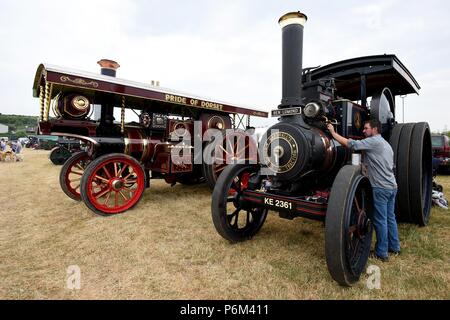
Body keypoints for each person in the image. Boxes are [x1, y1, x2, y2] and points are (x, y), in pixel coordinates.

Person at [327, 119, 400, 262]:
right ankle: (395, 247)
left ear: (374, 129)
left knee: (380, 220)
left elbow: (351, 144)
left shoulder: (373, 142)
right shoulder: (386, 145)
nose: (363, 131)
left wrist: (333, 133)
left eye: (366, 128)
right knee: (390, 217)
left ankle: (381, 253)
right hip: (392, 187)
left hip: (380, 188)